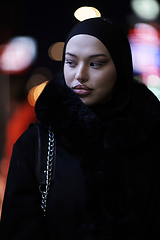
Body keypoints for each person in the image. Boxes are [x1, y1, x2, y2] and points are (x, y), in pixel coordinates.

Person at [1, 17, 160, 240]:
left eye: (95, 63)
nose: (80, 75)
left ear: (121, 67)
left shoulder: (151, 136)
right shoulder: (35, 144)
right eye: (71, 62)